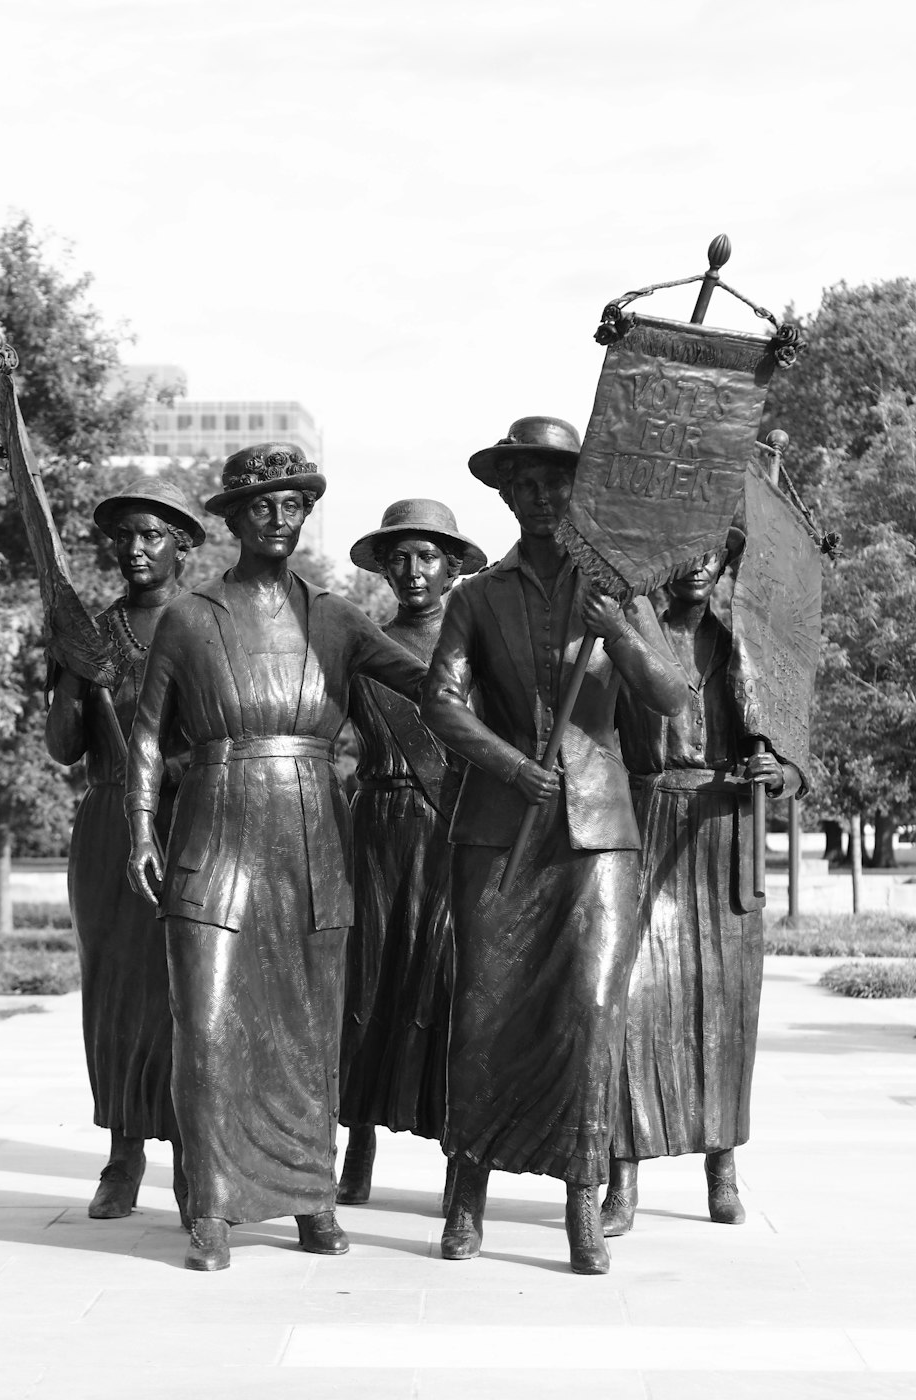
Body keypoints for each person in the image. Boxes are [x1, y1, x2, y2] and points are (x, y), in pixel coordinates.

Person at [125, 444, 427, 1272]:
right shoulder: (191, 618)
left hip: (311, 832)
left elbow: (430, 681)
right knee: (209, 1019)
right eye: (263, 502)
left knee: (308, 1024)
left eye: (294, 502)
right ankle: (213, 1205)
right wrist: (138, 828)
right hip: (215, 829)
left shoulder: (335, 617)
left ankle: (310, 1197)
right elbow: (149, 734)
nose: (280, 516)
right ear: (232, 517)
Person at [421, 416, 687, 1274]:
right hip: (502, 829)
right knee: (484, 1010)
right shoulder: (475, 597)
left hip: (600, 827)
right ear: (504, 493)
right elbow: (443, 704)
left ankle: (580, 1195)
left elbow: (671, 698)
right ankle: (466, 1196)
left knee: (589, 1011)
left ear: (579, 491)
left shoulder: (618, 589)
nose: (539, 497)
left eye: (555, 482)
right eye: (524, 483)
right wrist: (506, 766)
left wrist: (620, 631)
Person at [602, 537, 803, 1236]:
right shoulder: (629, 630)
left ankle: (722, 1167)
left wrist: (781, 775)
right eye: (683, 550)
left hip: (722, 833)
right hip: (645, 820)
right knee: (631, 1002)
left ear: (726, 564)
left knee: (724, 1008)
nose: (696, 565)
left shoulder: (751, 645)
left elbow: (795, 753)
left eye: (711, 553)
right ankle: (620, 1177)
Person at [45, 479, 205, 1226]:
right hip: (109, 819)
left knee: (187, 991)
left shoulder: (207, 622)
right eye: (124, 537)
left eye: (152, 535)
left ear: (183, 544)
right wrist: (74, 674)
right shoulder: (93, 630)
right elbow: (61, 748)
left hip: (190, 817)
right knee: (112, 993)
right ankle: (122, 1154)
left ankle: (190, 1149)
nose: (135, 550)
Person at [336, 500, 485, 1208]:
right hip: (377, 830)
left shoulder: (477, 652)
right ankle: (356, 1142)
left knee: (452, 989)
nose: (411, 570)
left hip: (454, 832)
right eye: (398, 557)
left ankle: (462, 1159)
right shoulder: (361, 648)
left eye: (426, 556)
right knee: (367, 985)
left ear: (453, 568)